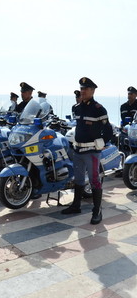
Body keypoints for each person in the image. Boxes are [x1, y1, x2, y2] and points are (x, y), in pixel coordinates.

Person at [61, 77, 113, 225]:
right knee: (78, 179)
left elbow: (108, 130)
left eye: (85, 89)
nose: (82, 91)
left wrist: (102, 143)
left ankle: (97, 211)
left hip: (92, 152)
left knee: (94, 181)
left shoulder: (99, 109)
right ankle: (76, 205)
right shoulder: (77, 108)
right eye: (81, 88)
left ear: (92, 91)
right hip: (78, 151)